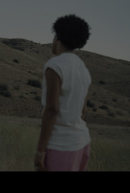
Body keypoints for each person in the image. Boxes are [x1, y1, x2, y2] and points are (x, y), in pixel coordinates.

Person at [34, 14, 92, 171]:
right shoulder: (83, 69)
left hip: (61, 145)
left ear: (57, 37)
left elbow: (52, 109)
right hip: (82, 141)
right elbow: (83, 110)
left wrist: (40, 150)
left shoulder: (54, 65)